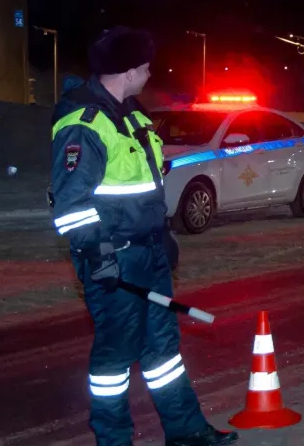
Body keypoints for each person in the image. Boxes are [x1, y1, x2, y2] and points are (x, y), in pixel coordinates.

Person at [49, 26, 237, 446]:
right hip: (113, 256)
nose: (151, 74)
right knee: (115, 357)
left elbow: (146, 183)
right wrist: (99, 255)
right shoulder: (84, 125)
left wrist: (163, 233)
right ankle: (113, 440)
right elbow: (70, 204)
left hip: (148, 251)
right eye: (146, 67)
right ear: (127, 70)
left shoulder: (133, 116)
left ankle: (185, 431)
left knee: (163, 348)